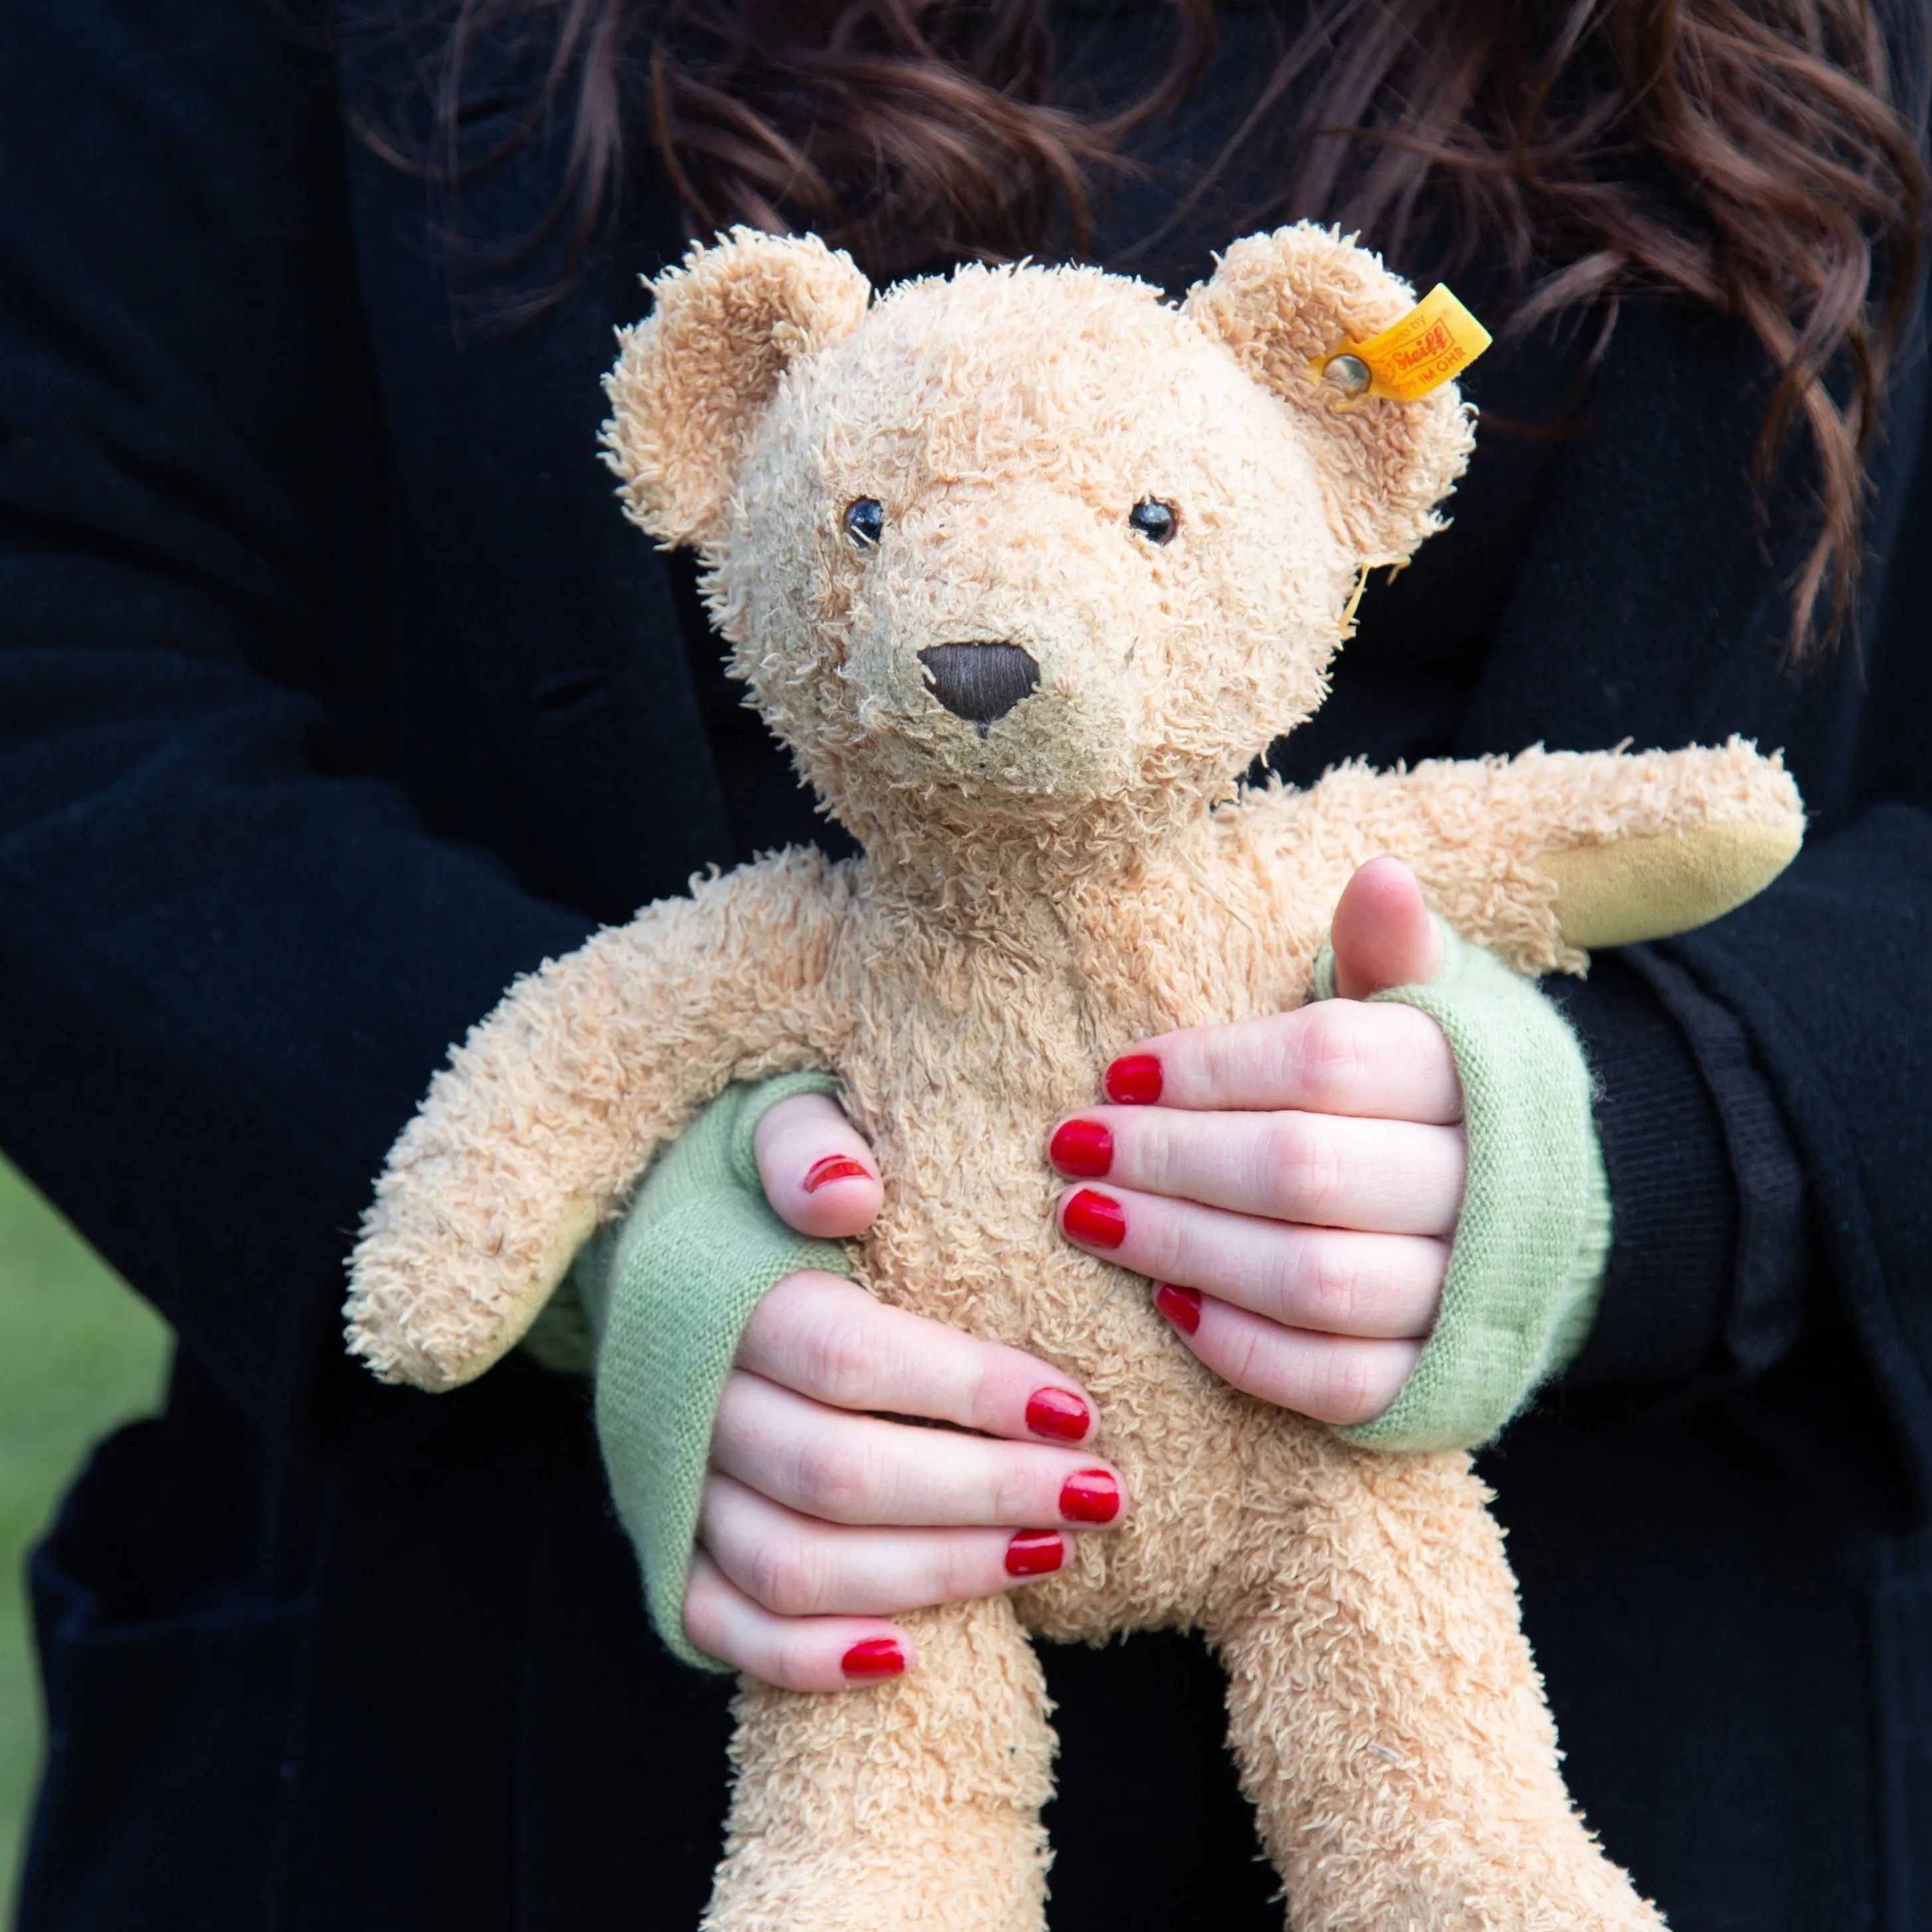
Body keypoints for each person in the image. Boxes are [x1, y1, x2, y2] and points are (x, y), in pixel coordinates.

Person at [2, 1, 1927, 1927]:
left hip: (1709, 1673)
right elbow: (60, 645)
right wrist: (610, 1226)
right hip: (491, 1730)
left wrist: (1678, 1137)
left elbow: (1689, 818)